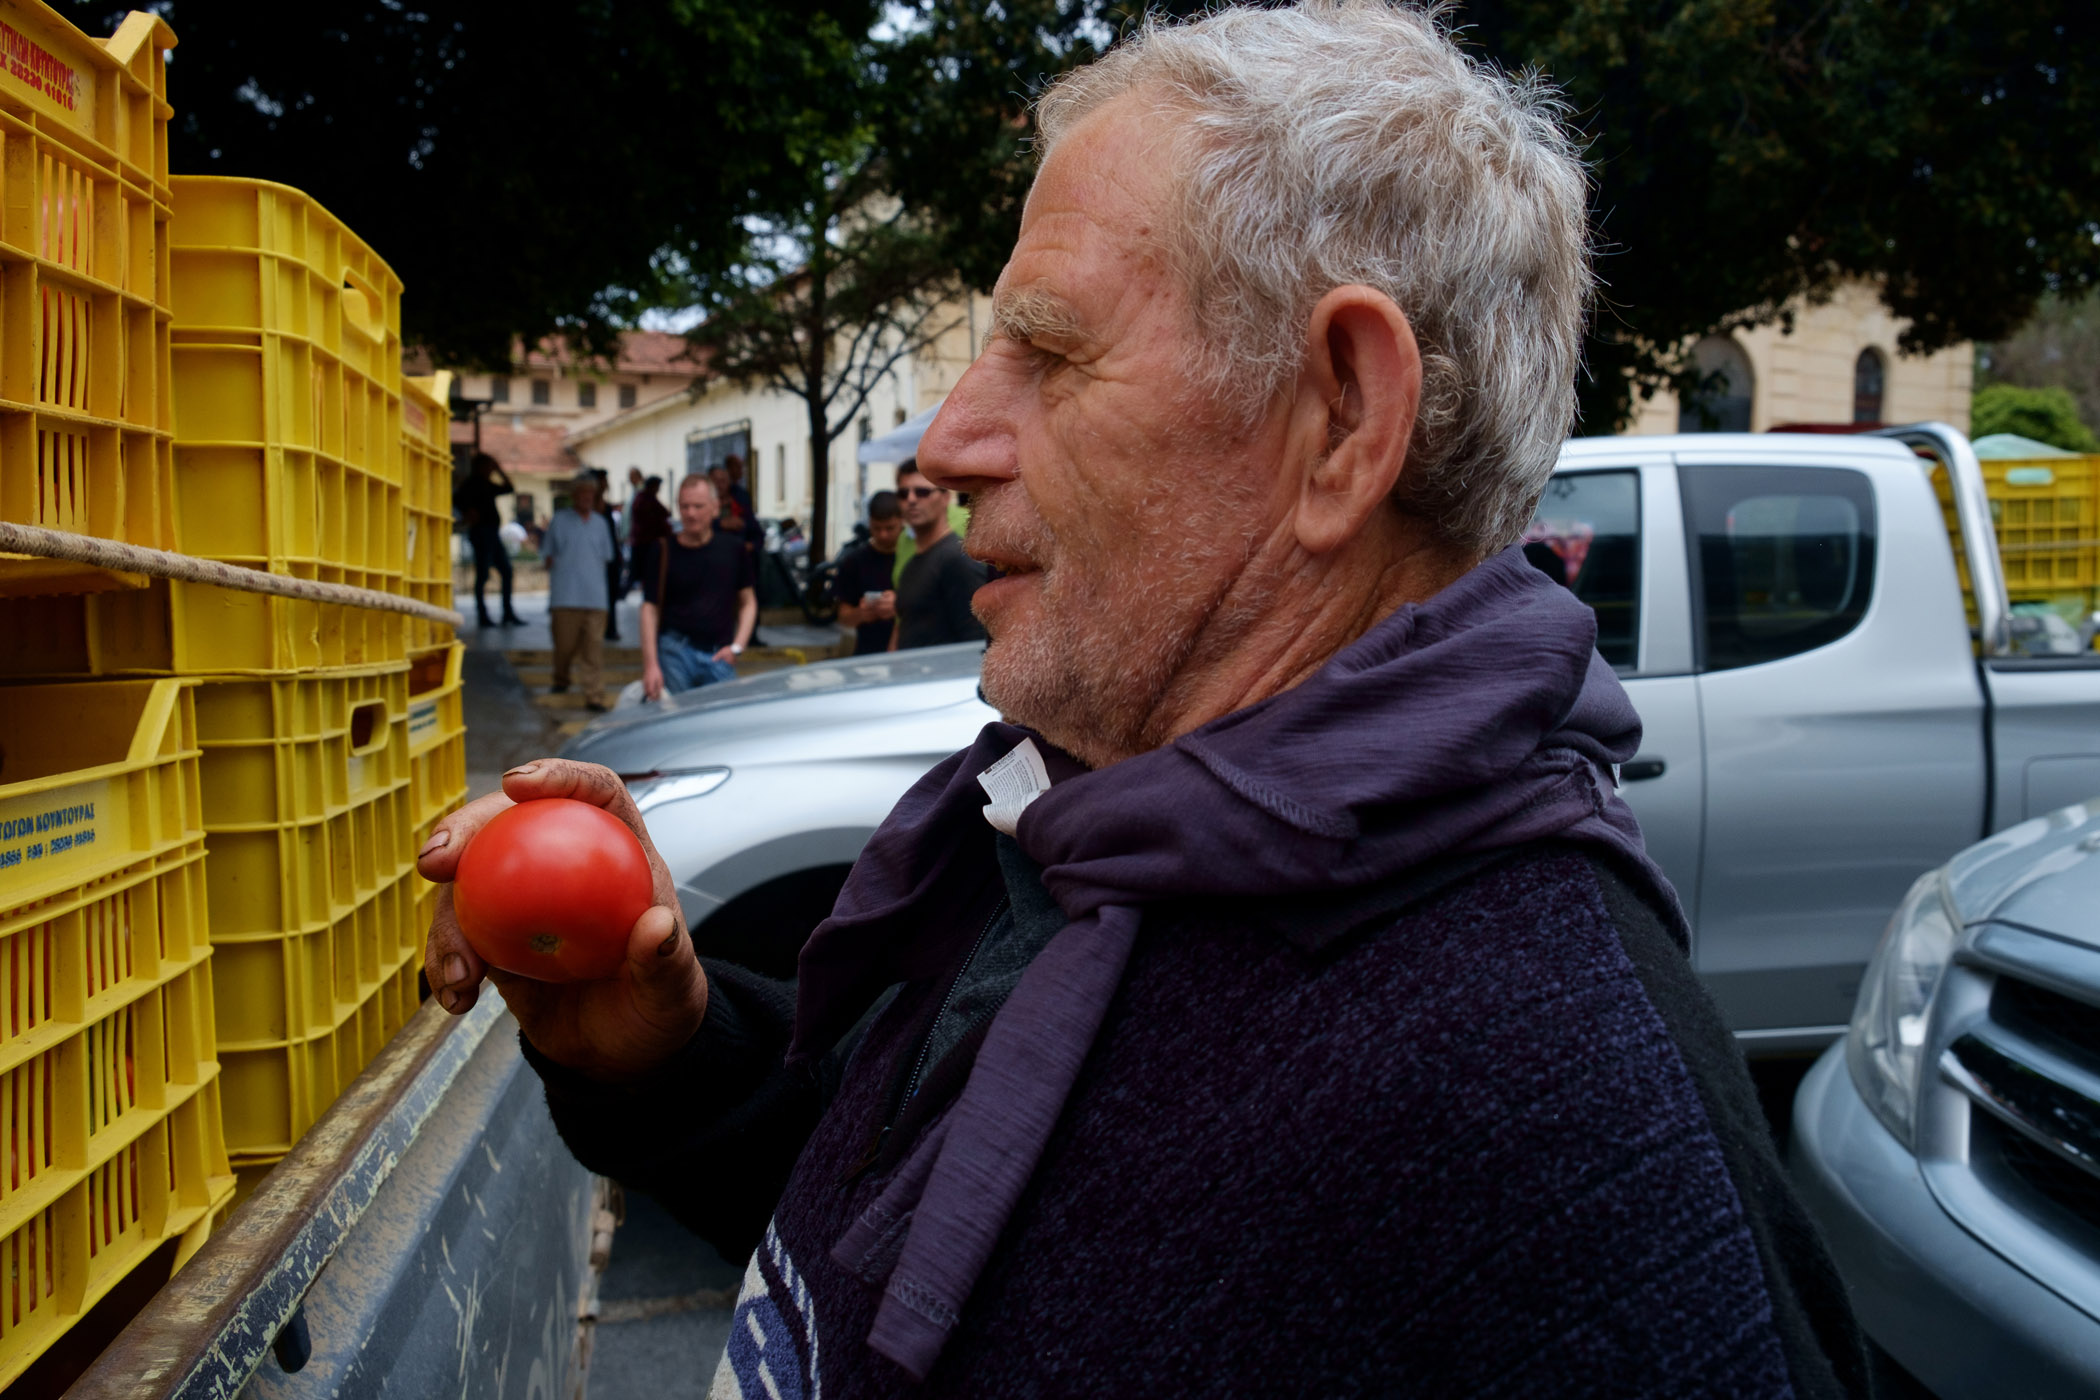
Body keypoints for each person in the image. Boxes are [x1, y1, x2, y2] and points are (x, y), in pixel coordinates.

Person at [420, 7, 1867, 1397]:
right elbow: (915, 1252)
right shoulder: (1080, 815)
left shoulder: (1573, 1157)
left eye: (1050, 350)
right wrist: (675, 1060)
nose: (951, 441)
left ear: (1342, 419)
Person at [636, 474, 758, 699]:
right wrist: (651, 665)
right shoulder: (662, 550)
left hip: (719, 655)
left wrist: (737, 647)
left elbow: (748, 602)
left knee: (723, 718)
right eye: (685, 506)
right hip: (674, 652)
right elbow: (649, 608)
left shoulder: (733, 549)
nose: (691, 513)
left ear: (715, 507)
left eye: (698, 506)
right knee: (675, 718)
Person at [890, 461, 988, 649]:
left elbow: (976, 643)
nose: (911, 499)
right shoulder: (912, 562)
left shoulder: (956, 560)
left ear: (945, 498)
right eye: (903, 493)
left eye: (922, 492)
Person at [541, 469, 615, 711]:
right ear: (574, 495)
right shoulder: (559, 520)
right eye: (582, 493)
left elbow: (607, 558)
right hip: (565, 598)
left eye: (590, 493)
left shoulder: (601, 523)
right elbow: (547, 556)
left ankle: (594, 696)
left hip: (595, 599)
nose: (586, 497)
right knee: (564, 647)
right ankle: (561, 679)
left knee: (593, 651)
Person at [454, 452, 523, 627]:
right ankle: (483, 615)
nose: (490, 470)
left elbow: (508, 488)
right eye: (488, 466)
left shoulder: (487, 483)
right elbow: (456, 499)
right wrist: (467, 512)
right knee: (483, 574)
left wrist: (499, 470)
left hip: (492, 533)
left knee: (506, 571)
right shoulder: (471, 484)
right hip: (481, 533)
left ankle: (507, 612)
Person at [835, 492, 905, 655]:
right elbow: (843, 616)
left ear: (902, 522)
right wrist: (861, 614)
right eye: (876, 528)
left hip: (910, 650)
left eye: (890, 528)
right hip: (867, 652)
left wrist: (899, 606)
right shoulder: (854, 561)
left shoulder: (914, 555)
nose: (883, 535)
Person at [594, 468, 625, 642]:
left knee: (611, 595)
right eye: (602, 481)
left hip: (611, 559)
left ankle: (610, 628)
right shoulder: (589, 511)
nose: (605, 484)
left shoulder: (605, 507)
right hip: (594, 561)